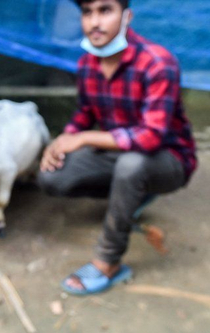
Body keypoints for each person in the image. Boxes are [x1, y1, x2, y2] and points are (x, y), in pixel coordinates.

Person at [38, 0, 197, 295]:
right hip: (119, 151)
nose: (94, 22)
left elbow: (151, 137)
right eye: (87, 12)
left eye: (105, 10)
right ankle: (135, 193)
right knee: (52, 176)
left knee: (132, 166)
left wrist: (83, 138)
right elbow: (83, 115)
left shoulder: (158, 62)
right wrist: (63, 141)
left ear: (127, 16)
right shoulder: (87, 64)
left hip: (169, 159)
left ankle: (109, 262)